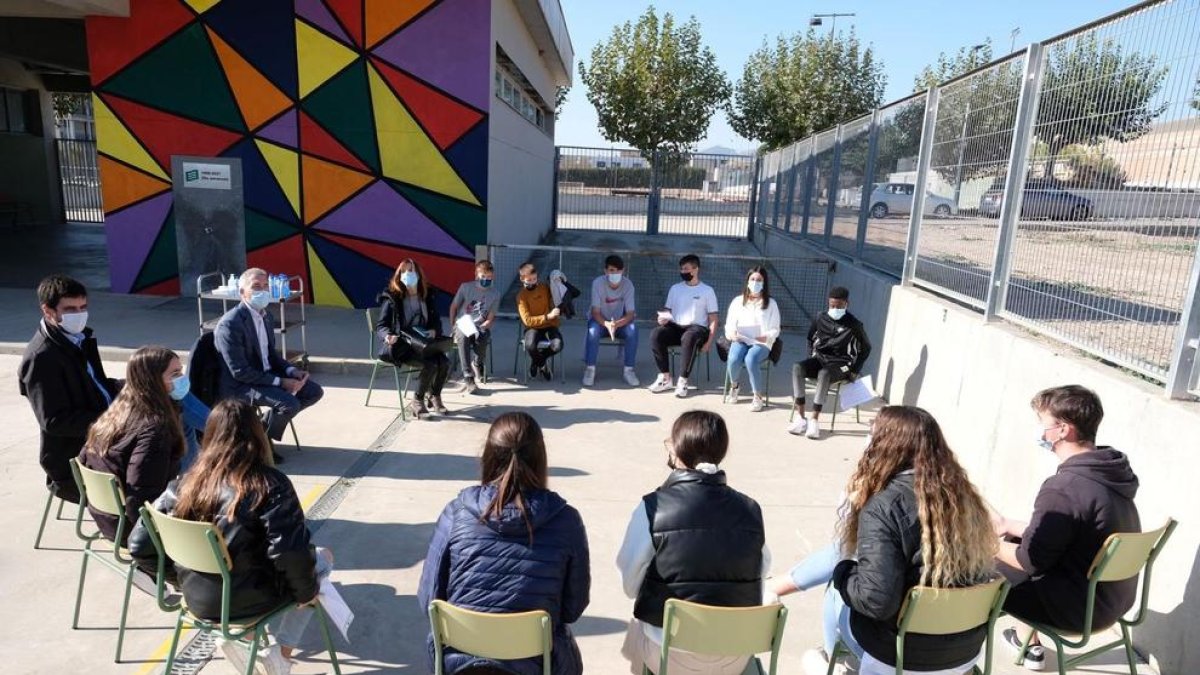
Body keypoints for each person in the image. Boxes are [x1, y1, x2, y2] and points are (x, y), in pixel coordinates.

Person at [129, 399, 332, 675]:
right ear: (257, 434)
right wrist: (307, 594)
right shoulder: (269, 484)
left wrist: (180, 579)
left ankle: (248, 643)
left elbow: (139, 544)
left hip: (198, 598)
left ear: (209, 435)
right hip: (251, 599)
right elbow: (289, 552)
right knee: (322, 564)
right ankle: (279, 656)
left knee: (305, 573)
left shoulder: (182, 483)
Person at [794, 406, 999, 675]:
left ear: (886, 445)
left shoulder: (883, 506)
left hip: (901, 656)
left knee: (837, 586)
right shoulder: (964, 498)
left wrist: (844, 571)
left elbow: (877, 601)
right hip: (964, 652)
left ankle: (836, 660)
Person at [418, 412, 590, 675]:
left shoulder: (456, 513)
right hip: (535, 665)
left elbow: (429, 599)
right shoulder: (566, 520)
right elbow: (572, 608)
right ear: (540, 458)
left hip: (459, 664)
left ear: (488, 455)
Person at [992, 385, 1140, 671]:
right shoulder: (1111, 474)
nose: (1041, 432)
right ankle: (1028, 641)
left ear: (1063, 430)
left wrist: (986, 543)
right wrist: (1009, 525)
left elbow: (1030, 561)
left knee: (978, 567)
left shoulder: (1064, 488)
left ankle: (951, 654)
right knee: (1014, 536)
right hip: (1113, 601)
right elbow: (1080, 533)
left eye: (1043, 424)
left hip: (1075, 611)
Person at [617, 410, 770, 675]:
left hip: (670, 656)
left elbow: (630, 587)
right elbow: (761, 571)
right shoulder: (751, 510)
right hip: (734, 656)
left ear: (676, 449)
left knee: (635, 632)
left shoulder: (652, 508)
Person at [19, 274, 121, 504]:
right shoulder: (41, 359)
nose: (79, 314)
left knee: (171, 410)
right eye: (70, 309)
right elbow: (55, 421)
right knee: (156, 459)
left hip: (103, 435)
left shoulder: (77, 339)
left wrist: (133, 386)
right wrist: (113, 423)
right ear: (48, 311)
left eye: (83, 307)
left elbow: (95, 384)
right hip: (76, 458)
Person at [78, 346, 187, 546]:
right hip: (138, 534)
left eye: (181, 371)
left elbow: (84, 457)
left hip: (108, 520)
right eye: (175, 374)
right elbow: (140, 497)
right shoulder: (155, 430)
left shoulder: (119, 410)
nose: (182, 378)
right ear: (153, 381)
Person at [214, 268, 323, 459]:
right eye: (256, 286)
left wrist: (291, 370)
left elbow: (271, 355)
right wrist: (281, 382)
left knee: (313, 391)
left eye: (265, 286)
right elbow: (239, 372)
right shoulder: (230, 324)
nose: (262, 291)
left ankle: (259, 434)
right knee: (288, 404)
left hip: (265, 375)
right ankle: (262, 445)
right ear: (242, 292)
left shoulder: (266, 317)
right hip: (242, 383)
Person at [788, 286, 871, 439]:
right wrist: (811, 356)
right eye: (832, 306)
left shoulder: (854, 325)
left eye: (839, 306)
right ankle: (801, 418)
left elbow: (866, 348)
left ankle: (814, 420)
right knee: (797, 368)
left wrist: (855, 370)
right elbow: (809, 337)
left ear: (847, 304)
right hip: (820, 358)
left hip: (842, 363)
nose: (835, 309)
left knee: (824, 374)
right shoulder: (820, 317)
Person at [377, 259, 452, 418]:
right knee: (430, 364)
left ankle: (435, 395)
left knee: (445, 362)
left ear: (418, 274)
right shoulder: (392, 297)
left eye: (411, 271)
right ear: (399, 275)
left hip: (424, 342)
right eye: (404, 271)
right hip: (403, 345)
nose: (408, 275)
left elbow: (435, 320)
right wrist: (387, 336)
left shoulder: (427, 295)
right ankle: (417, 401)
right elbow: (381, 325)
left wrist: (433, 330)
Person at [647, 255, 720, 398]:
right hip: (676, 326)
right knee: (656, 334)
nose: (683, 271)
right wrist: (662, 319)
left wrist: (709, 342)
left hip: (697, 329)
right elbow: (668, 311)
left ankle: (683, 380)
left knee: (689, 336)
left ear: (696, 269)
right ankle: (665, 378)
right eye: (681, 269)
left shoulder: (707, 291)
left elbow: (713, 319)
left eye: (686, 268)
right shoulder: (675, 289)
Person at [723, 266, 781, 412]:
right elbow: (729, 324)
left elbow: (776, 328)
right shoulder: (737, 301)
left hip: (761, 342)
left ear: (764, 283)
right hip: (742, 338)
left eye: (759, 280)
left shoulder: (771, 304)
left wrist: (765, 336)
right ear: (748, 281)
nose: (755, 282)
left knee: (751, 359)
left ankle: (757, 395)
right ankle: (734, 386)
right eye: (753, 279)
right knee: (734, 357)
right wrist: (732, 335)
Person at [582, 254, 639, 387]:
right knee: (592, 332)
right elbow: (595, 312)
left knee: (632, 331)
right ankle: (590, 369)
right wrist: (607, 324)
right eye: (612, 270)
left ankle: (629, 370)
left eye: (619, 270)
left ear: (623, 271)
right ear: (606, 271)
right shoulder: (597, 283)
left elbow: (630, 313)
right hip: (600, 321)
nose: (615, 274)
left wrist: (616, 324)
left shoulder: (628, 285)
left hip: (620, 322)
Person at [449, 260, 499, 395]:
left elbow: (490, 319)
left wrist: (482, 326)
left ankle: (477, 363)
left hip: (479, 325)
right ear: (477, 274)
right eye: (483, 276)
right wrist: (453, 323)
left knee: (482, 338)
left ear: (492, 276)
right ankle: (468, 376)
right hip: (463, 323)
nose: (486, 279)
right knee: (463, 336)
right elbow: (454, 306)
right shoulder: (466, 287)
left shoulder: (495, 294)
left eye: (489, 277)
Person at [516, 262, 564, 381]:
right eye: (530, 279)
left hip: (550, 325)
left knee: (558, 345)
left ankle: (536, 361)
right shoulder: (521, 296)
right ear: (522, 279)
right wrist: (547, 316)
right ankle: (542, 365)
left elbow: (557, 295)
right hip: (533, 328)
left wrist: (558, 280)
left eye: (535, 278)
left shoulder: (544, 288)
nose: (533, 282)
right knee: (530, 345)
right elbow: (527, 321)